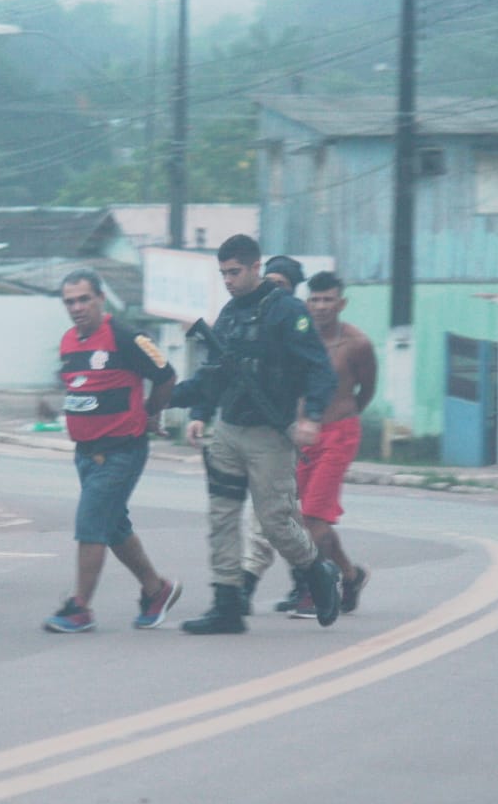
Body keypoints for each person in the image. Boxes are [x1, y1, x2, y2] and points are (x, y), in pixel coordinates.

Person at [169, 235, 340, 634]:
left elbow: (320, 369)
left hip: (270, 435)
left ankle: (318, 570)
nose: (228, 280)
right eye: (223, 273)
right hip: (229, 430)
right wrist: (175, 403)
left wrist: (312, 416)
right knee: (222, 518)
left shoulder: (287, 312)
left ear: (255, 267)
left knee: (275, 522)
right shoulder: (228, 315)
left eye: (235, 272)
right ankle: (227, 605)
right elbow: (213, 376)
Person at [44, 269, 183, 633]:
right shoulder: (68, 342)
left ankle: (80, 608)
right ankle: (157, 590)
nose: (77, 307)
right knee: (114, 526)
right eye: (70, 301)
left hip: (121, 450)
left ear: (101, 299)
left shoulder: (125, 337)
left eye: (83, 299)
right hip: (86, 453)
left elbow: (166, 376)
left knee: (91, 524)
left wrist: (152, 412)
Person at [241, 267, 377, 617]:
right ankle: (350, 574)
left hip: (339, 434)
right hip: (302, 436)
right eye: (314, 299)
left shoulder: (357, 343)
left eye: (328, 299)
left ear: (341, 302)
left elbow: (367, 388)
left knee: (315, 516)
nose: (320, 306)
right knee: (303, 517)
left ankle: (312, 587)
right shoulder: (297, 338)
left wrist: (345, 415)